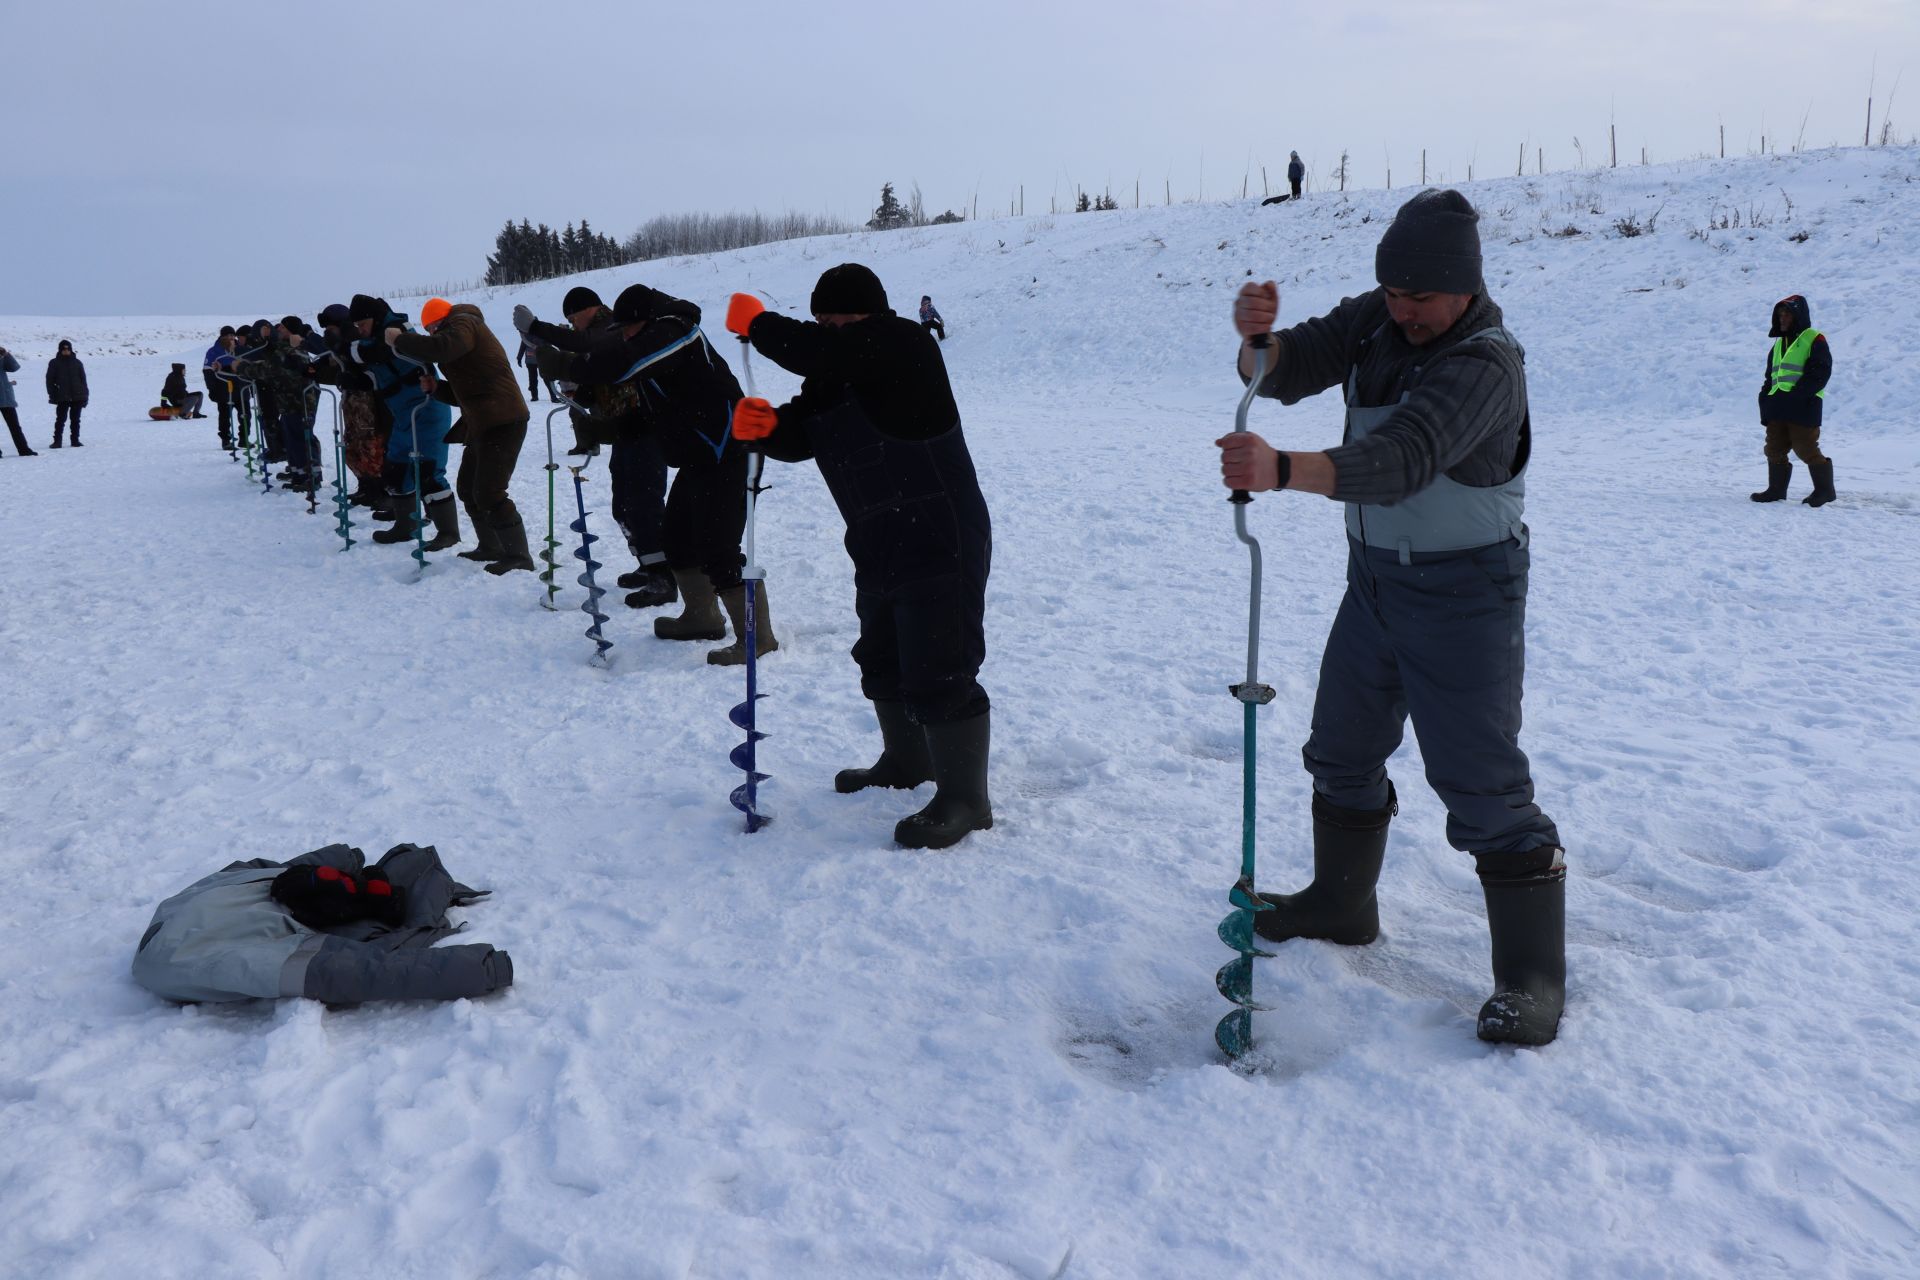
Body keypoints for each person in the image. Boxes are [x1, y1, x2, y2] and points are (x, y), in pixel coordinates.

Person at [1216, 188, 1565, 1045]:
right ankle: (1342, 904)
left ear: (1466, 288)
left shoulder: (1487, 363)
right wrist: (1256, 339)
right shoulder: (1380, 315)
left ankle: (1532, 977)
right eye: (1395, 295)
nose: (1405, 312)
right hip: (1373, 580)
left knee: (1482, 784)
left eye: (1421, 299)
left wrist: (1283, 469)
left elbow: (1402, 460)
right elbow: (1288, 369)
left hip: (1466, 592)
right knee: (1340, 747)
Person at [729, 263, 993, 850]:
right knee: (883, 653)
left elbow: (823, 351)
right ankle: (907, 761)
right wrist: (767, 425)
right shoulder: (833, 372)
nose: (829, 329)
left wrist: (762, 325)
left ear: (870, 314)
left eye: (838, 319)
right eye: (822, 319)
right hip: (877, 538)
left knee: (940, 659)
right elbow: (802, 432)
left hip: (939, 531)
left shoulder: (903, 344)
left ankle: (966, 799)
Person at [527, 283, 760, 655]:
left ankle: (755, 636)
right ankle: (702, 616)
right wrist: (584, 394)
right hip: (699, 457)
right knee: (677, 538)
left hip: (728, 451)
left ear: (646, 321)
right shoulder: (652, 342)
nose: (626, 336)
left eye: (630, 328)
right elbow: (621, 377)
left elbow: (624, 361)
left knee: (719, 547)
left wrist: (561, 362)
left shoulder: (677, 331)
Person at [514, 286, 676, 609]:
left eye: (574, 317)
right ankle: (647, 564)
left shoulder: (610, 326)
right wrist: (583, 395)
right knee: (624, 506)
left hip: (647, 427)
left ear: (590, 308)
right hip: (625, 431)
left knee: (644, 504)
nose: (573, 325)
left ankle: (664, 577)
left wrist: (537, 330)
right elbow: (604, 377)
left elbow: (589, 345)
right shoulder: (601, 334)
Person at [388, 297, 535, 572]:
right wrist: (437, 388)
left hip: (503, 419)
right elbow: (468, 389)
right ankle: (491, 546)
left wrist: (401, 340)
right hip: (483, 421)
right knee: (469, 488)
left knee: (490, 491)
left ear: (439, 322)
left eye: (432, 330)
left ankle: (518, 556)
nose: (433, 335)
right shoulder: (460, 330)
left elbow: (442, 347)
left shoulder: (464, 323)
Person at [345, 294, 457, 550]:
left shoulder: (397, 331)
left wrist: (348, 348)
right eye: (357, 326)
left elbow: (375, 353)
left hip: (427, 410)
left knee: (429, 473)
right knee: (395, 470)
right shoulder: (373, 338)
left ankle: (448, 532)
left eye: (362, 324)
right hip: (404, 416)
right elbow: (382, 374)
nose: (360, 330)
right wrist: (356, 381)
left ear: (374, 318)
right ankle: (406, 525)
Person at [1750, 294, 1835, 507]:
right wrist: (1765, 403)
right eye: (1780, 313)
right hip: (1778, 407)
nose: (1783, 317)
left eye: (1787, 313)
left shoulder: (1814, 338)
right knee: (1774, 448)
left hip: (1803, 406)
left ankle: (1825, 491)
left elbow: (1820, 373)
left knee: (1805, 448)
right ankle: (1776, 491)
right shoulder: (1778, 345)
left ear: (1798, 315)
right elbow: (1770, 377)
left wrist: (1797, 396)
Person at [234, 317, 323, 490]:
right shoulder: (281, 346)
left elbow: (270, 369)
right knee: (292, 438)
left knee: (302, 437)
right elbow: (264, 356)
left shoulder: (290, 347)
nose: (278, 329)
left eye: (281, 327)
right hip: (289, 401)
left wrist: (241, 368)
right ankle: (298, 473)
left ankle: (311, 476)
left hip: (300, 400)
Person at [203, 327, 242, 450]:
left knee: (244, 414)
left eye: (233, 335)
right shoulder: (213, 351)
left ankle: (244, 438)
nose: (231, 338)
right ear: (222, 336)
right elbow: (207, 371)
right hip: (222, 387)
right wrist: (212, 389)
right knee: (225, 414)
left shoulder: (239, 349)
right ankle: (226, 439)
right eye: (228, 335)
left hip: (240, 387)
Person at [46, 339, 88, 447]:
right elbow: (49, 380)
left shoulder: (77, 363)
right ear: (60, 350)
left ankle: (75, 440)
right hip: (62, 396)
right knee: (60, 419)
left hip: (78, 395)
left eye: (68, 349)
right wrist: (52, 394)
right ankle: (57, 441)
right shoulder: (54, 363)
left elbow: (83, 380)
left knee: (75, 420)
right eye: (64, 349)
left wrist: (85, 396)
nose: (66, 351)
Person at [0, 342, 36, 455]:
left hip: (5, 396)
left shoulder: (1, 358)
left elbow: (15, 367)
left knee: (14, 425)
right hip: (5, 395)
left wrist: (6, 354)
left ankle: (23, 449)